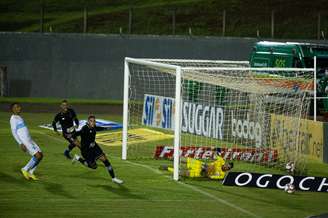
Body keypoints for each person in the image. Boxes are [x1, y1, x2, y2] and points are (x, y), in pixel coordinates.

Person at [72, 115, 123, 184]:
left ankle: (114, 178)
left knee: (105, 160)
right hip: (86, 151)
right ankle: (78, 158)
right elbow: (76, 134)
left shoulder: (94, 127)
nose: (93, 123)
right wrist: (73, 138)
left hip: (95, 147)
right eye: (91, 121)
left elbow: (100, 128)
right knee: (93, 166)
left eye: (94, 121)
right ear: (88, 122)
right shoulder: (84, 129)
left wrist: (111, 128)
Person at [10, 103, 43, 180]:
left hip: (29, 140)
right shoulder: (13, 119)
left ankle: (31, 172)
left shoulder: (19, 117)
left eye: (19, 107)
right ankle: (25, 169)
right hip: (25, 141)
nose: (19, 108)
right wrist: (20, 143)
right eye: (17, 107)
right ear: (13, 109)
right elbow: (14, 132)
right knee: (37, 156)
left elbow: (23, 130)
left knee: (41, 155)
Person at [160, 150, 233, 180]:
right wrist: (214, 150)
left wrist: (207, 172)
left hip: (200, 173)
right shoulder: (221, 161)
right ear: (226, 163)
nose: (226, 167)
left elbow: (211, 177)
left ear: (228, 169)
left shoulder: (222, 175)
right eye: (227, 165)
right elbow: (216, 154)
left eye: (228, 168)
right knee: (184, 159)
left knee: (182, 173)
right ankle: (168, 158)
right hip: (200, 164)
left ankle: (167, 168)